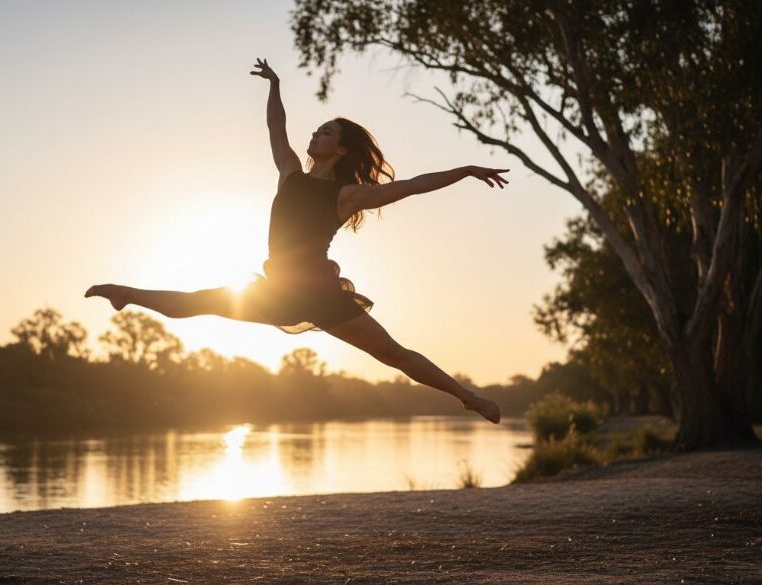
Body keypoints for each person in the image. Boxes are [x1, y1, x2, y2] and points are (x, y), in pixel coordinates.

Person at [86, 57, 509, 424]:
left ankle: (469, 397)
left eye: (326, 133)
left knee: (393, 354)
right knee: (202, 301)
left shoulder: (347, 195)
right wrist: (276, 87)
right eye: (318, 130)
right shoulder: (290, 173)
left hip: (321, 295)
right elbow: (276, 126)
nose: (315, 135)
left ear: (341, 150)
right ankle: (125, 294)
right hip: (279, 291)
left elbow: (415, 185)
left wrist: (466, 170)